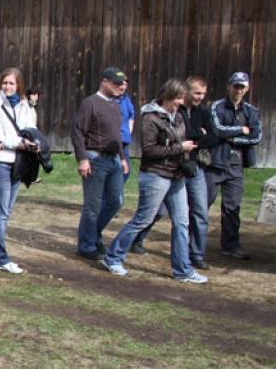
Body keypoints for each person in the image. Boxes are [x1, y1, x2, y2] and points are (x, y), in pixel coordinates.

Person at [101, 79, 206, 283]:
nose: (180, 102)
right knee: (143, 219)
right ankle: (112, 257)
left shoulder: (178, 115)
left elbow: (185, 137)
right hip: (155, 175)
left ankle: (182, 270)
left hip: (176, 176)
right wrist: (179, 148)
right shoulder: (151, 118)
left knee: (182, 223)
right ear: (167, 96)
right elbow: (149, 150)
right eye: (177, 98)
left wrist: (186, 157)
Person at [129, 76, 216, 268]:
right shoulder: (176, 111)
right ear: (186, 93)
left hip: (194, 168)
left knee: (199, 212)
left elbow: (214, 137)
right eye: (196, 93)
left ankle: (196, 255)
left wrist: (199, 137)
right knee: (157, 211)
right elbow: (183, 136)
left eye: (203, 94)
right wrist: (197, 135)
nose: (200, 97)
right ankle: (135, 239)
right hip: (171, 167)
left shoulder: (203, 112)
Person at [0, 68, 38, 274]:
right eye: (5, 83)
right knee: (1, 213)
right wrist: (20, 143)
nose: (7, 87)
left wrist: (33, 143)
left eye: (11, 84)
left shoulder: (24, 105)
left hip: (19, 162)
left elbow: (30, 129)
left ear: (19, 85)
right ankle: (0, 257)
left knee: (7, 212)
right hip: (0, 162)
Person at [72, 67, 129, 259]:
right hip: (95, 158)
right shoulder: (90, 103)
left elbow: (117, 135)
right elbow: (78, 132)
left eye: (121, 83)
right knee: (92, 205)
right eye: (116, 83)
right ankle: (87, 246)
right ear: (104, 81)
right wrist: (83, 159)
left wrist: (122, 158)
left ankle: (93, 234)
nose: (120, 86)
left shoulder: (115, 104)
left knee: (116, 201)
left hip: (114, 160)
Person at [205, 71, 262, 260]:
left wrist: (231, 138)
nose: (238, 90)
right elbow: (216, 129)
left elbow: (256, 137)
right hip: (215, 162)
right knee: (202, 203)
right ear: (229, 86)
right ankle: (192, 243)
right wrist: (240, 130)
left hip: (236, 164)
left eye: (242, 87)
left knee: (232, 207)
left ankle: (230, 245)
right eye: (235, 86)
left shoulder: (251, 111)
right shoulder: (217, 106)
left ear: (247, 88)